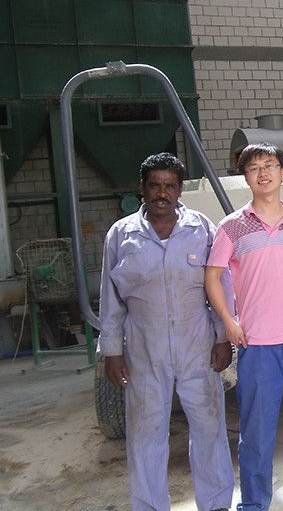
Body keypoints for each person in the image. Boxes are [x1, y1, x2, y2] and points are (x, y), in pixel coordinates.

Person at [99, 152, 234, 511]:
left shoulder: (201, 229)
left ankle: (216, 504)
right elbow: (110, 299)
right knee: (145, 433)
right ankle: (149, 506)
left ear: (180, 190)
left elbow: (221, 288)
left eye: (170, 186)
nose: (162, 193)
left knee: (209, 427)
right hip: (144, 348)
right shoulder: (121, 235)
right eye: (155, 185)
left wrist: (223, 338)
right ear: (142, 189)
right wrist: (111, 351)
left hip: (197, 345)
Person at [205, 143, 283, 511]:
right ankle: (254, 503)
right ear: (245, 177)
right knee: (257, 431)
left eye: (271, 165)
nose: (263, 173)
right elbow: (212, 277)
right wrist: (229, 321)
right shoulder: (232, 226)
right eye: (254, 167)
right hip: (257, 343)